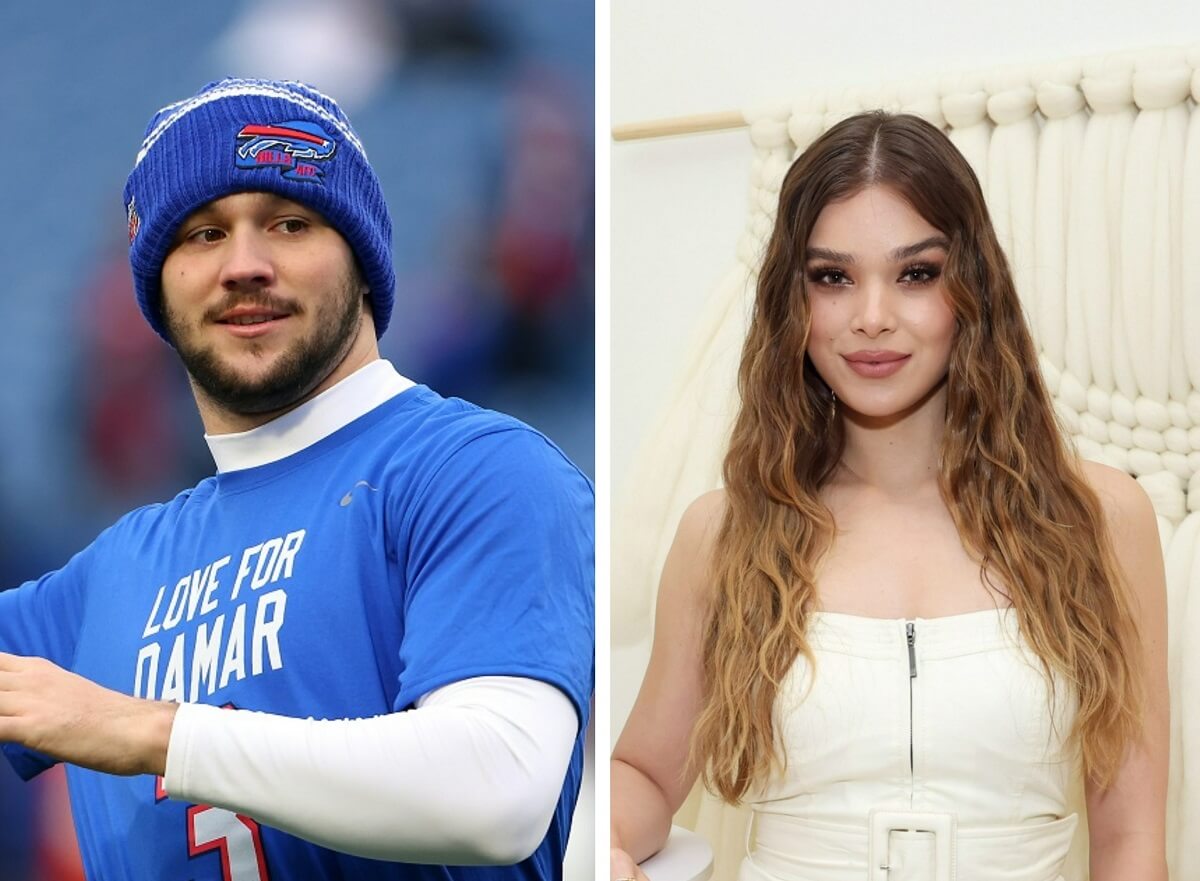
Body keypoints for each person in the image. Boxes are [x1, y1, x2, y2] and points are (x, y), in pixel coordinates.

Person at [0, 77, 594, 881]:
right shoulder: (106, 576)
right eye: (202, 235)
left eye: (288, 222)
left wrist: (150, 731)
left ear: (361, 255)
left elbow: (497, 791)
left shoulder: (475, 470)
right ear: (156, 288)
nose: (244, 265)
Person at [610, 112, 1168, 881]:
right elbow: (643, 772)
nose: (872, 316)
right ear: (792, 301)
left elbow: (1133, 842)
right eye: (832, 277)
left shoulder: (1103, 521)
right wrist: (605, 846)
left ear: (972, 285)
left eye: (916, 273)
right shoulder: (724, 533)